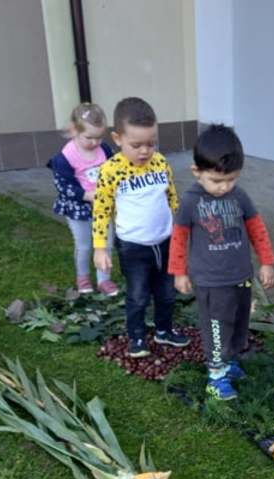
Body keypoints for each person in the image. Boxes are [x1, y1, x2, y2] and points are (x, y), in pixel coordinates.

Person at [169, 124, 274, 401]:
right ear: (197, 172)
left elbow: (257, 229)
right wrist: (179, 272)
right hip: (210, 281)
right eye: (217, 180)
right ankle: (216, 376)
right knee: (217, 327)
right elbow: (179, 238)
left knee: (239, 323)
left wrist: (266, 261)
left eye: (232, 179)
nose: (225, 187)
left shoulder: (240, 197)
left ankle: (229, 362)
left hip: (241, 276)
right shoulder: (191, 201)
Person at [92, 97, 189, 358]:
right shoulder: (110, 171)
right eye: (136, 145)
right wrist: (100, 248)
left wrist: (183, 226)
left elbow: (172, 197)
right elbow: (101, 211)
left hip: (165, 243)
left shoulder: (160, 163)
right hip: (133, 248)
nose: (145, 151)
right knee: (138, 295)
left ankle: (163, 330)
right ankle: (136, 336)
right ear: (117, 138)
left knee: (167, 293)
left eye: (151, 143)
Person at [47, 103, 117, 296]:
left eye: (99, 137)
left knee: (106, 244)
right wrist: (86, 195)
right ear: (74, 131)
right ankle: (83, 277)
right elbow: (63, 186)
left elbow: (114, 170)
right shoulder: (65, 157)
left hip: (103, 207)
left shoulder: (104, 150)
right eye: (89, 137)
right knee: (84, 245)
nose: (95, 142)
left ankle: (104, 280)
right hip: (78, 208)